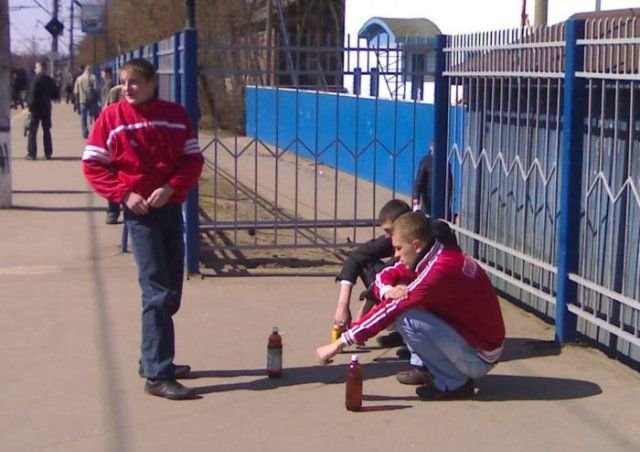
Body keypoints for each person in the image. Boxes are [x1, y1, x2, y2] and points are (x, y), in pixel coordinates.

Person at [82, 58, 204, 400]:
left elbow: (192, 160)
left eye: (134, 81)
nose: (128, 88)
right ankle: (156, 374)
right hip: (140, 215)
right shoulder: (112, 118)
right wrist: (124, 194)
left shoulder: (175, 116)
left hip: (169, 208)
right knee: (157, 292)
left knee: (171, 293)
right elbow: (92, 164)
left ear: (153, 83)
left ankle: (151, 356)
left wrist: (171, 187)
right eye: (124, 82)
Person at [317, 213, 505, 400]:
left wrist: (340, 343)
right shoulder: (438, 254)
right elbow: (385, 274)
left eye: (399, 248)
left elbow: (391, 309)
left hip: (479, 357)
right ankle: (433, 370)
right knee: (406, 306)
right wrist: (387, 291)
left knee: (404, 315)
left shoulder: (439, 270)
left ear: (416, 245)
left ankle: (454, 383)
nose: (396, 255)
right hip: (477, 344)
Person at [332, 199, 411, 329]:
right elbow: (356, 256)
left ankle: (398, 326)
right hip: (393, 288)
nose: (386, 236)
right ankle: (392, 322)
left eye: (389, 230)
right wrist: (342, 305)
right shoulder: (391, 238)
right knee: (364, 259)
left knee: (397, 278)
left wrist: (365, 311)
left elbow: (393, 267)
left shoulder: (423, 241)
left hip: (421, 298)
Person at [101, 80, 125, 225]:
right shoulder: (115, 92)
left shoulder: (144, 93)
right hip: (115, 143)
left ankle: (114, 211)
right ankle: (113, 211)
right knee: (113, 174)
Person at [26, 61, 59, 160]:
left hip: (36, 109)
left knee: (32, 132)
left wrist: (29, 107)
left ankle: (32, 153)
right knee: (47, 131)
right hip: (46, 108)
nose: (35, 69)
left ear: (41, 67)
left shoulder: (36, 80)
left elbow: (32, 94)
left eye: (36, 67)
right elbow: (56, 94)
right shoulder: (49, 80)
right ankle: (48, 152)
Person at [74, 65, 100, 139]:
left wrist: (77, 103)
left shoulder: (79, 79)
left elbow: (76, 92)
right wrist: (98, 100)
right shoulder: (94, 78)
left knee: (83, 117)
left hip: (83, 100)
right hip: (93, 100)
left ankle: (85, 132)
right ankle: (97, 131)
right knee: (96, 116)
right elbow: (97, 90)